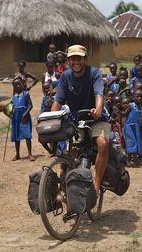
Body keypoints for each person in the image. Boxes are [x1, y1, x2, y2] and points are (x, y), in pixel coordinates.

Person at [51, 44, 110, 193]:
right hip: (77, 120)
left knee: (102, 143)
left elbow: (99, 94)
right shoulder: (65, 76)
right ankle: (66, 186)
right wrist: (51, 118)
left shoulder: (94, 73)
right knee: (71, 153)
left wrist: (97, 109)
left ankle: (96, 184)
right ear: (68, 61)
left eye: (79, 58)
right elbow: (58, 101)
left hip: (96, 119)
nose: (76, 61)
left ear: (84, 59)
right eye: (72, 58)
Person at [11, 78, 35, 161]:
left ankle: (30, 154)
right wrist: (10, 112)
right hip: (16, 117)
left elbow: (30, 105)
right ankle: (17, 154)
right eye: (15, 85)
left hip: (25, 117)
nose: (18, 86)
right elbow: (12, 106)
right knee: (16, 135)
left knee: (27, 135)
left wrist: (25, 113)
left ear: (22, 84)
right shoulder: (13, 96)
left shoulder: (26, 94)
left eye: (19, 84)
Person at [122, 90, 142, 165]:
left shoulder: (140, 106)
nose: (139, 98)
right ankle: (128, 160)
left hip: (136, 127)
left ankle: (135, 159)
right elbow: (124, 114)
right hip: (129, 127)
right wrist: (118, 112)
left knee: (136, 143)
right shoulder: (130, 105)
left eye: (141, 96)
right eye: (137, 96)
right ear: (133, 97)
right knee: (131, 143)